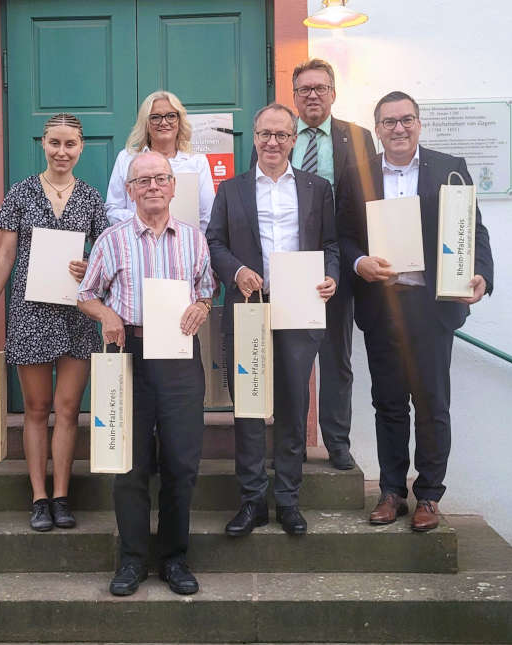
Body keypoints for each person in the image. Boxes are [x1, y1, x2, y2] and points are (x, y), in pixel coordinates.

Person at [338, 91, 494, 532]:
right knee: (387, 403)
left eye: (406, 120)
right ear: (378, 128)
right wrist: (358, 263)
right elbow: (345, 234)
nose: (399, 128)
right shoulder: (358, 173)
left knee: (431, 403)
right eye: (389, 122)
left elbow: (473, 229)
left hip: (431, 308)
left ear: (419, 124)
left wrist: (482, 274)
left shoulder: (449, 168)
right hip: (382, 306)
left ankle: (428, 495)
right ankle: (391, 492)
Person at [78, 151, 214, 597]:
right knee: (129, 465)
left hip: (177, 356)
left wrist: (200, 307)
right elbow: (86, 295)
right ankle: (132, 561)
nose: (153, 186)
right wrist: (107, 316)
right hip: (128, 352)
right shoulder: (112, 240)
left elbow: (207, 292)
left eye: (161, 179)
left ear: (174, 186)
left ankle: (174, 559)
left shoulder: (195, 239)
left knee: (181, 462)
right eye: (143, 180)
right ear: (130, 190)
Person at [207, 103, 339, 537]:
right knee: (248, 406)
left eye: (282, 135)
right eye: (265, 133)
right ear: (255, 136)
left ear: (294, 140)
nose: (273, 142)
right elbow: (215, 242)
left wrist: (330, 277)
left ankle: (287, 500)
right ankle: (251, 501)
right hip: (249, 307)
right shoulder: (232, 189)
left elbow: (332, 244)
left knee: (292, 404)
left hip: (299, 307)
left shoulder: (317, 188)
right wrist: (237, 271)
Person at [0, 113, 110, 532]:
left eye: (70, 144)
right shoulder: (20, 193)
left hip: (76, 312)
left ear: (81, 147)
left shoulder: (90, 198)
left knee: (68, 410)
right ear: (43, 143)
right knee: (35, 409)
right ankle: (38, 497)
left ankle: (62, 495)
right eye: (55, 143)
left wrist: (88, 266)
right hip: (30, 312)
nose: (62, 151)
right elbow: (4, 257)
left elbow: (105, 259)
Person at [251, 58, 375, 470]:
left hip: (336, 264)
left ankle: (336, 441)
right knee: (285, 358)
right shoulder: (275, 139)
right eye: (304, 89)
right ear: (294, 95)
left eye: (320, 88)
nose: (313, 95)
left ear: (333, 93)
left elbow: (371, 202)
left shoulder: (357, 138)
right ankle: (290, 443)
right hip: (283, 265)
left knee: (336, 356)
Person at [105, 90, 215, 232]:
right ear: (146, 123)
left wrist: (192, 242)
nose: (164, 122)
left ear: (179, 121)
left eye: (171, 116)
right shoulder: (126, 158)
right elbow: (113, 209)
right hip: (136, 243)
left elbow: (207, 215)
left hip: (183, 246)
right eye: (155, 117)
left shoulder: (197, 162)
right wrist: (148, 221)